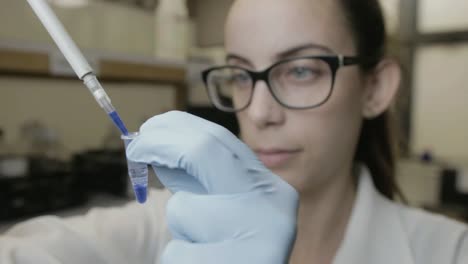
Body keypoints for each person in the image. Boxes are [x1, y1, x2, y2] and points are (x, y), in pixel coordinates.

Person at [1, 0, 467, 263]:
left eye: (301, 71)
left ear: (376, 87)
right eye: (242, 75)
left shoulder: (448, 252)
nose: (259, 112)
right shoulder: (164, 221)